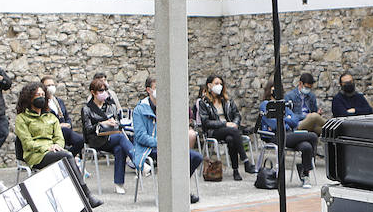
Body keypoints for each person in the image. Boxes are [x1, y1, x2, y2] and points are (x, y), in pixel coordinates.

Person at [14, 82, 103, 208]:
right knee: (67, 156)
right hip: (36, 155)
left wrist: (56, 146)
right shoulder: (22, 118)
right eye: (37, 95)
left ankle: (78, 199)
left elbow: (59, 138)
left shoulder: (51, 117)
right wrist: (47, 147)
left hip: (54, 151)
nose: (40, 97)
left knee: (66, 156)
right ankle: (86, 195)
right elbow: (27, 143)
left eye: (42, 94)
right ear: (29, 98)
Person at [133, 76, 202, 204]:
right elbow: (141, 137)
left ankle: (178, 190)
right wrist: (162, 143)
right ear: (148, 90)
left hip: (169, 145)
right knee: (171, 157)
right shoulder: (139, 110)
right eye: (156, 87)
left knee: (196, 157)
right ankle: (174, 192)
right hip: (148, 148)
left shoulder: (167, 106)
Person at [82, 76, 144, 194]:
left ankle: (119, 183)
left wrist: (114, 123)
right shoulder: (87, 109)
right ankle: (139, 161)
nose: (103, 93)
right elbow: (88, 129)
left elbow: (118, 123)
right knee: (121, 137)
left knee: (120, 147)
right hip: (96, 139)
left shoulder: (110, 106)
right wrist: (102, 123)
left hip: (112, 136)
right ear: (93, 93)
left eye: (105, 90)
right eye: (100, 91)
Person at [258, 80, 318, 188]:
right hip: (274, 137)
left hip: (289, 134)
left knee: (306, 146)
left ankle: (305, 174)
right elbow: (275, 125)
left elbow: (295, 120)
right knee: (313, 136)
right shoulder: (265, 105)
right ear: (269, 90)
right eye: (273, 88)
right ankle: (307, 167)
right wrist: (286, 120)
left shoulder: (283, 104)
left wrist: (283, 119)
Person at [196, 75, 254, 180]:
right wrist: (225, 124)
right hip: (214, 131)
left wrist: (235, 123)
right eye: (216, 83)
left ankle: (236, 171)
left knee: (231, 139)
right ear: (209, 85)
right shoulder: (204, 102)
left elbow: (237, 114)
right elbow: (206, 122)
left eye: (221, 84)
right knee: (233, 132)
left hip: (230, 131)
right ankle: (245, 161)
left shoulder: (227, 101)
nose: (219, 86)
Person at [41, 75, 84, 157]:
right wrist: (58, 126)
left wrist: (68, 124)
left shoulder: (58, 101)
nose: (51, 87)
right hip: (54, 132)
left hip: (66, 130)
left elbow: (66, 116)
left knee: (80, 140)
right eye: (48, 85)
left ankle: (69, 156)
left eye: (52, 85)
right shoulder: (43, 103)